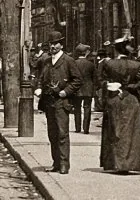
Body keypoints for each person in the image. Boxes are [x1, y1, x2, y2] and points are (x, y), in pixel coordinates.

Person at [98, 35, 140, 174]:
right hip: (131, 99)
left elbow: (100, 80)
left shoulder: (108, 64)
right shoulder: (136, 64)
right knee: (131, 131)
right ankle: (129, 163)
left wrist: (113, 86)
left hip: (114, 98)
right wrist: (127, 87)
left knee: (114, 130)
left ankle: (116, 162)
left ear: (116, 50)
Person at [35, 33, 80, 174]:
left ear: (61, 44)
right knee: (52, 133)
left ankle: (64, 164)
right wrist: (39, 87)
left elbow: (77, 80)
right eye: (51, 44)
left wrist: (65, 92)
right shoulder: (47, 61)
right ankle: (56, 162)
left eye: (55, 44)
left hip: (62, 101)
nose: (52, 46)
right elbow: (41, 77)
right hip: (49, 101)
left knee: (62, 133)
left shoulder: (68, 60)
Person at [70, 43, 97, 134]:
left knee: (77, 108)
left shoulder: (73, 63)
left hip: (76, 89)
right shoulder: (91, 64)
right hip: (88, 89)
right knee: (87, 108)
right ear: (85, 53)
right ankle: (86, 129)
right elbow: (94, 78)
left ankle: (78, 128)